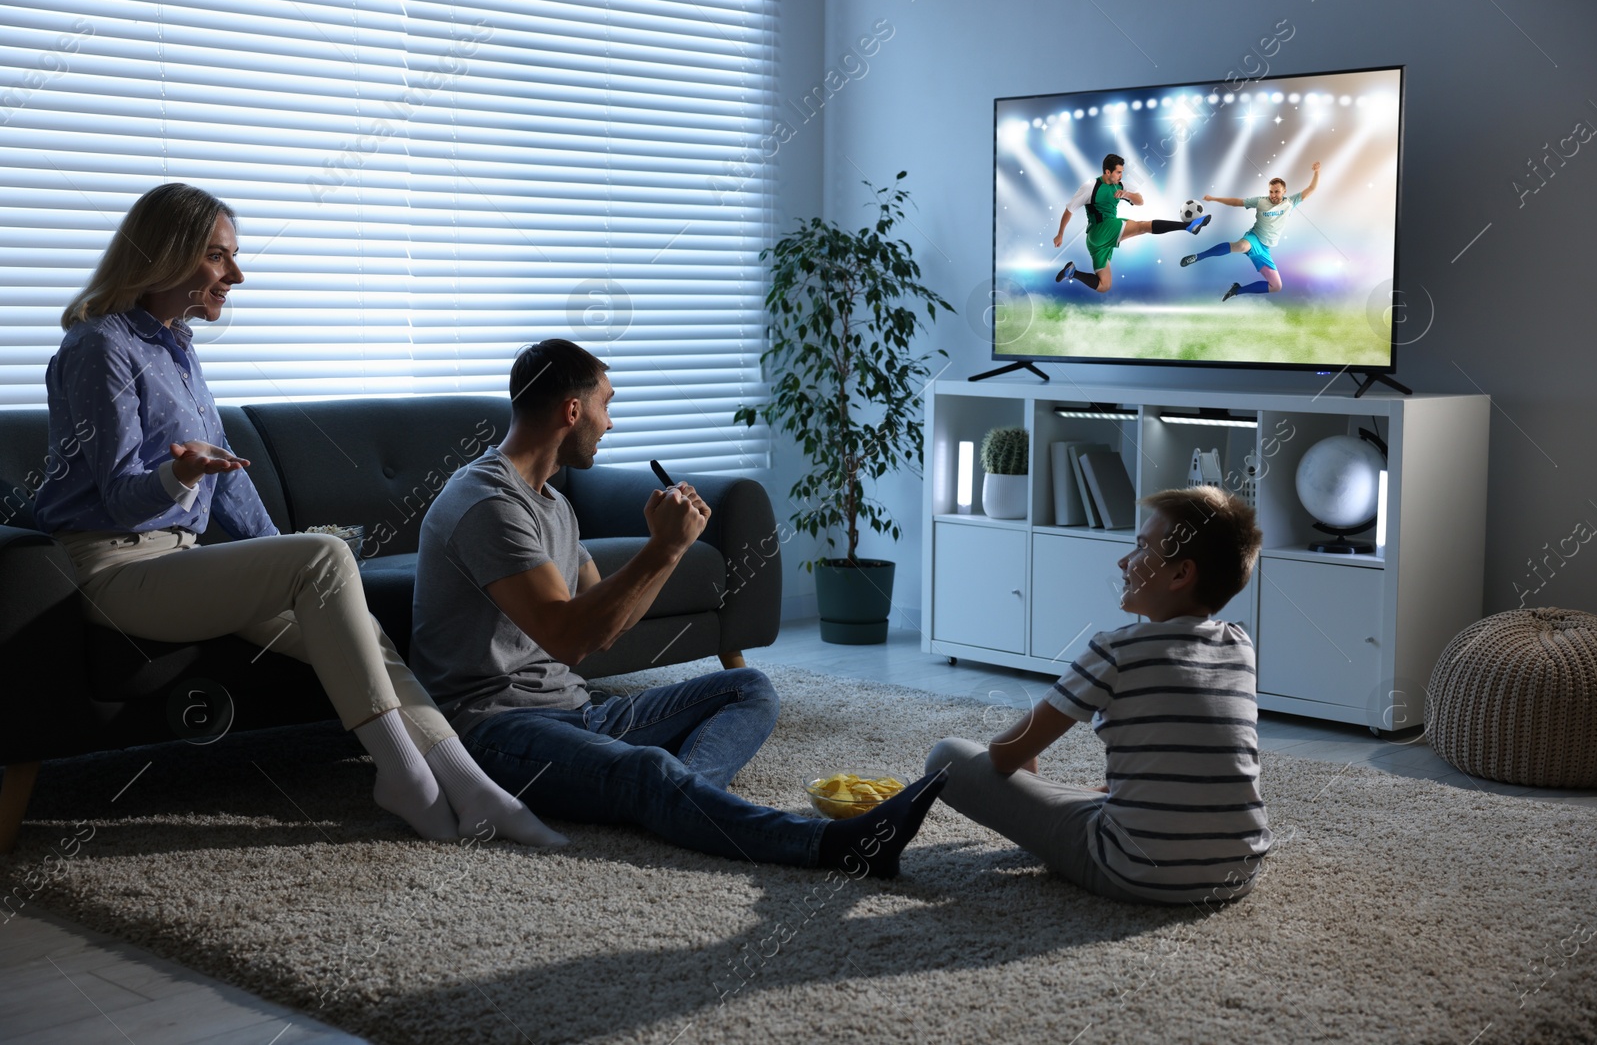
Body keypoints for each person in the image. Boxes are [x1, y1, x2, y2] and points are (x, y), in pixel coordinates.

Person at [32, 183, 565, 848]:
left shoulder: (178, 347)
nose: (237, 274)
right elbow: (120, 493)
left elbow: (226, 487)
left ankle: (470, 784)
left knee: (352, 615)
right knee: (322, 557)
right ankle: (401, 775)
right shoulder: (98, 347)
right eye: (220, 256)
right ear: (168, 253)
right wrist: (182, 473)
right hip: (112, 568)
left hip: (179, 561)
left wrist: (287, 558)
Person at [408, 338, 945, 877]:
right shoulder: (489, 504)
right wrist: (661, 547)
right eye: (606, 404)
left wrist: (673, 548)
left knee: (748, 688)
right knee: (645, 771)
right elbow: (569, 639)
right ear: (573, 411)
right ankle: (834, 845)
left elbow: (608, 627)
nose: (610, 423)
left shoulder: (552, 503)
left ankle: (673, 801)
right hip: (494, 731)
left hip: (578, 712)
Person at [925, 485, 1272, 905]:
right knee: (1102, 795)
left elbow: (1005, 756)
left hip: (1131, 870)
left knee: (946, 758)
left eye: (1142, 547)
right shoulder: (1241, 644)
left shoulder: (1116, 650)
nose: (1124, 562)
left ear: (1181, 574)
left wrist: (1037, 798)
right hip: (1239, 870)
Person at [1052, 153, 1210, 292]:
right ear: (1108, 172)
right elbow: (1069, 210)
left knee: (1104, 286)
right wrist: (1060, 234)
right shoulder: (1090, 186)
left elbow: (1140, 200)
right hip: (1102, 228)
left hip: (1095, 242)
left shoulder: (1121, 185)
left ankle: (1073, 272)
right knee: (1143, 226)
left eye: (1122, 172)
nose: (1121, 176)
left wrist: (1126, 194)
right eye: (1118, 172)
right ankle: (1187, 226)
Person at [1181, 162, 1321, 300]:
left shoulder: (1290, 202)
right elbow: (1237, 202)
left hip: (1265, 249)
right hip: (1254, 238)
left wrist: (1316, 172)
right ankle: (1198, 257)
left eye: (1276, 191)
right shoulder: (1261, 201)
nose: (1273, 195)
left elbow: (1311, 188)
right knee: (1241, 246)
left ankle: (1237, 290)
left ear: (1284, 191)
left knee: (1276, 286)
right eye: (1271, 191)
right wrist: (1214, 199)